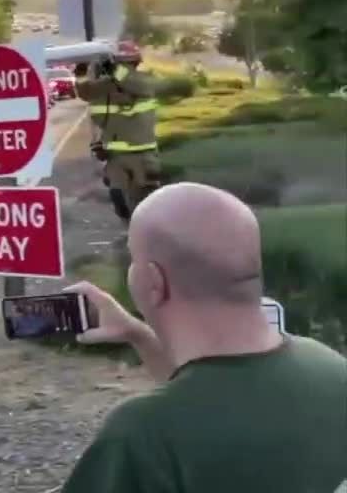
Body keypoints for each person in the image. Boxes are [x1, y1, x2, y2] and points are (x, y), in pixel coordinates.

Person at [61, 182, 347, 493]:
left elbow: (198, 405)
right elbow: (218, 396)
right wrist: (139, 335)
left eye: (133, 258)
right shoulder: (330, 368)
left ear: (154, 282)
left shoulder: (141, 437)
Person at [75, 40, 159, 224]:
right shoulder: (107, 86)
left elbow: (135, 83)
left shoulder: (144, 82)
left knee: (148, 204)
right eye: (120, 64)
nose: (123, 68)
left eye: (125, 64)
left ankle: (148, 234)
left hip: (143, 155)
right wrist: (81, 73)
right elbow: (85, 92)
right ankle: (130, 234)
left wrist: (115, 70)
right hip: (116, 156)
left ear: (135, 63)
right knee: (119, 197)